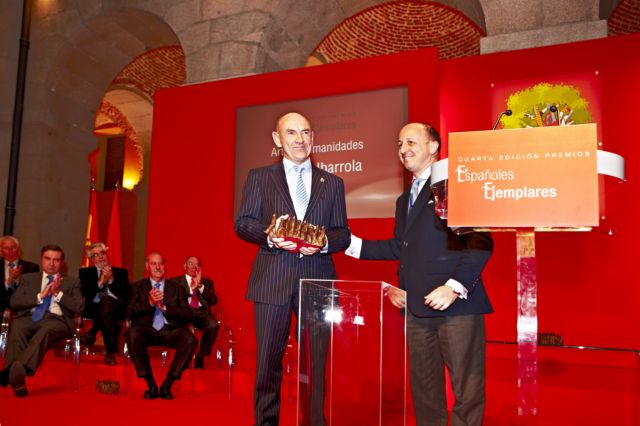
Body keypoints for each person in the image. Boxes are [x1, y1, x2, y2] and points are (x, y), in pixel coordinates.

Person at [346, 123, 494, 426]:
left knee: (467, 392)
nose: (403, 149)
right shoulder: (404, 200)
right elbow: (400, 246)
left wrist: (453, 287)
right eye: (400, 143)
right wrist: (346, 244)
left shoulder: (456, 185)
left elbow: (480, 242)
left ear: (433, 147)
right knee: (425, 394)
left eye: (411, 142)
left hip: (457, 307)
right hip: (416, 310)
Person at [235, 112, 350, 426]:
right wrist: (269, 237)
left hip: (317, 282)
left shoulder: (333, 183)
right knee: (268, 364)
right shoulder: (259, 177)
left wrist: (323, 242)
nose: (300, 140)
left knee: (315, 366)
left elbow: (342, 233)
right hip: (272, 281)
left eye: (306, 133)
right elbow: (242, 223)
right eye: (292, 133)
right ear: (277, 139)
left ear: (313, 137)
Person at [0, 245, 84, 397]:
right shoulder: (28, 279)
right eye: (47, 259)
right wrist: (40, 296)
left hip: (57, 320)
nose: (51, 263)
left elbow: (79, 306)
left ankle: (15, 370)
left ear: (62, 263)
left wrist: (58, 293)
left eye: (56, 260)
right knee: (18, 325)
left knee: (47, 329)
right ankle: (17, 377)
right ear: (41, 260)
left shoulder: (72, 282)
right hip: (30, 317)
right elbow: (14, 302)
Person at [125, 252, 197, 400]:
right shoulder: (137, 287)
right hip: (146, 329)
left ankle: (167, 384)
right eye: (154, 263)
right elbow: (129, 311)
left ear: (164, 266)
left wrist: (165, 308)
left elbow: (187, 314)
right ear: (147, 266)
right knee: (132, 334)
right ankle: (150, 384)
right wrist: (149, 303)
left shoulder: (177, 288)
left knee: (190, 340)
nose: (158, 267)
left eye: (161, 264)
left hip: (170, 330)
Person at [78, 242, 129, 365]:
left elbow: (126, 295)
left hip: (117, 307)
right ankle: (111, 351)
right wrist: (100, 282)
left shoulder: (121, 272)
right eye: (96, 255)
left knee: (106, 302)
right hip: (93, 308)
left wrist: (111, 279)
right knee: (104, 309)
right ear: (91, 259)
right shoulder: (85, 273)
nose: (100, 257)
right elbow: (85, 294)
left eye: (102, 253)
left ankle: (93, 332)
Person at [170, 256, 218, 369]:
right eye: (191, 263)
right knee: (185, 329)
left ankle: (201, 356)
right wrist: (191, 291)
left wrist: (200, 286)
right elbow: (172, 301)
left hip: (201, 313)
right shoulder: (174, 282)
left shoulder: (207, 283)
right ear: (185, 266)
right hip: (184, 312)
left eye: (196, 264)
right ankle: (185, 358)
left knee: (214, 326)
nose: (194, 266)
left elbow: (213, 301)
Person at [0, 236, 40, 314]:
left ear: (19, 250)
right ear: (1, 252)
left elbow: (32, 293)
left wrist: (18, 280)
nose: (10, 251)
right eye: (6, 248)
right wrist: (8, 282)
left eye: (13, 247)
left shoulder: (32, 267)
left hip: (21, 312)